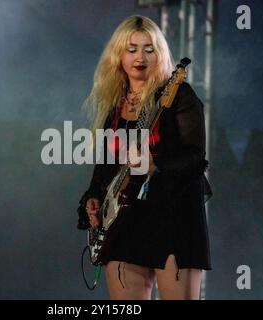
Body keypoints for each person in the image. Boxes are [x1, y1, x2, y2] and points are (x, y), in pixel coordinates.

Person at [77, 15, 212, 300]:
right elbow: (105, 166)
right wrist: (93, 196)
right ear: (118, 55)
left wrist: (156, 165)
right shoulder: (114, 104)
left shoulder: (178, 95)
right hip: (126, 219)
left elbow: (196, 157)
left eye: (149, 49)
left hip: (174, 215)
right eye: (132, 48)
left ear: (159, 54)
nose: (140, 56)